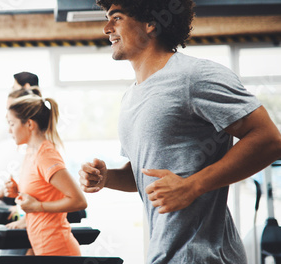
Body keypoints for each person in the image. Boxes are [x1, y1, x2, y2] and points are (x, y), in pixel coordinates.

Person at [78, 0, 281, 263]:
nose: (106, 28)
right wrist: (107, 178)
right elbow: (147, 174)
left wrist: (193, 186)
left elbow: (268, 139)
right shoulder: (131, 97)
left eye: (116, 18)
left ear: (150, 23)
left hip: (204, 256)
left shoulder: (194, 76)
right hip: (165, 254)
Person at [7, 94, 87, 256]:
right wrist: (17, 193)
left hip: (57, 248)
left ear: (29, 124)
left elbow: (79, 201)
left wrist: (38, 206)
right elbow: (43, 194)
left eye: (12, 124)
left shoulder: (46, 156)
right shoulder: (31, 153)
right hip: (40, 246)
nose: (9, 130)